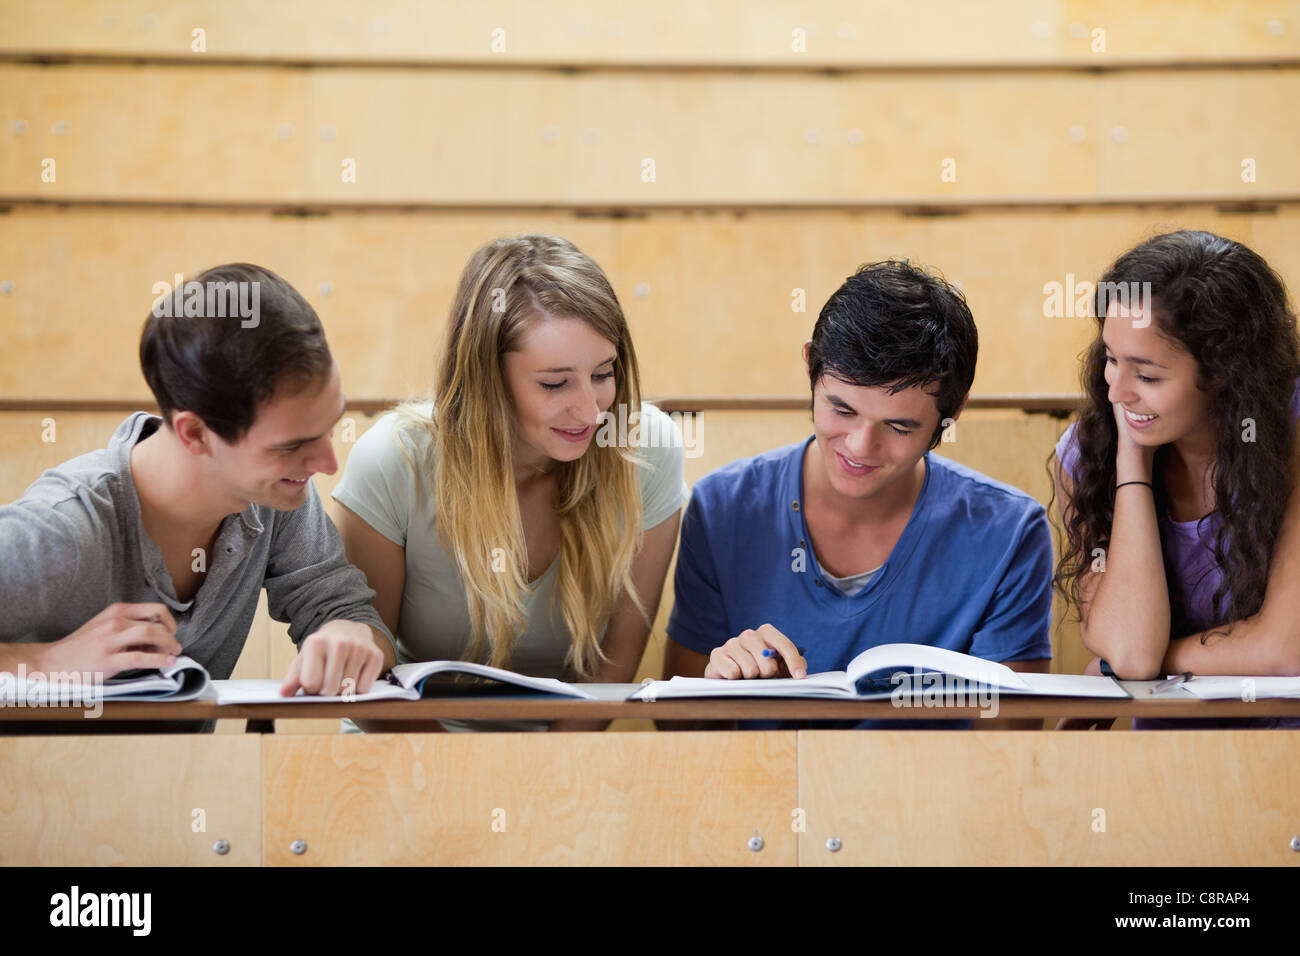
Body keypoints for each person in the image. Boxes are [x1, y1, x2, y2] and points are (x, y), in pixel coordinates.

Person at [0, 263, 396, 732]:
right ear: (195, 433)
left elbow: (345, 611)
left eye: (330, 427)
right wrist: (43, 663)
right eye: (292, 446)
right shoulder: (63, 528)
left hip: (180, 795)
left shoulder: (274, 498)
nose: (328, 464)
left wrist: (348, 635)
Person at [663, 259, 1053, 730]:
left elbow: (1010, 750)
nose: (859, 447)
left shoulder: (1009, 533)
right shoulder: (721, 510)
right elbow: (679, 731)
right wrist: (727, 686)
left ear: (952, 414)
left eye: (899, 425)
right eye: (841, 410)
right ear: (811, 366)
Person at [331, 234, 688, 732]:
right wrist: (463, 781)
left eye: (603, 373)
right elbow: (369, 673)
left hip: (557, 764)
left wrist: (542, 784)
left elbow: (616, 659)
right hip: (405, 753)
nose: (589, 411)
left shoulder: (645, 446)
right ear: (487, 377)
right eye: (554, 383)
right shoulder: (393, 459)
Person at [1052, 230, 1300, 729]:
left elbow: (1284, 650)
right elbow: (1131, 651)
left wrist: (1126, 667)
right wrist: (1132, 464)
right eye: (1111, 360)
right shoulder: (1089, 454)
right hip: (1168, 770)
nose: (1118, 392)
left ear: (1225, 372)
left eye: (1147, 376)